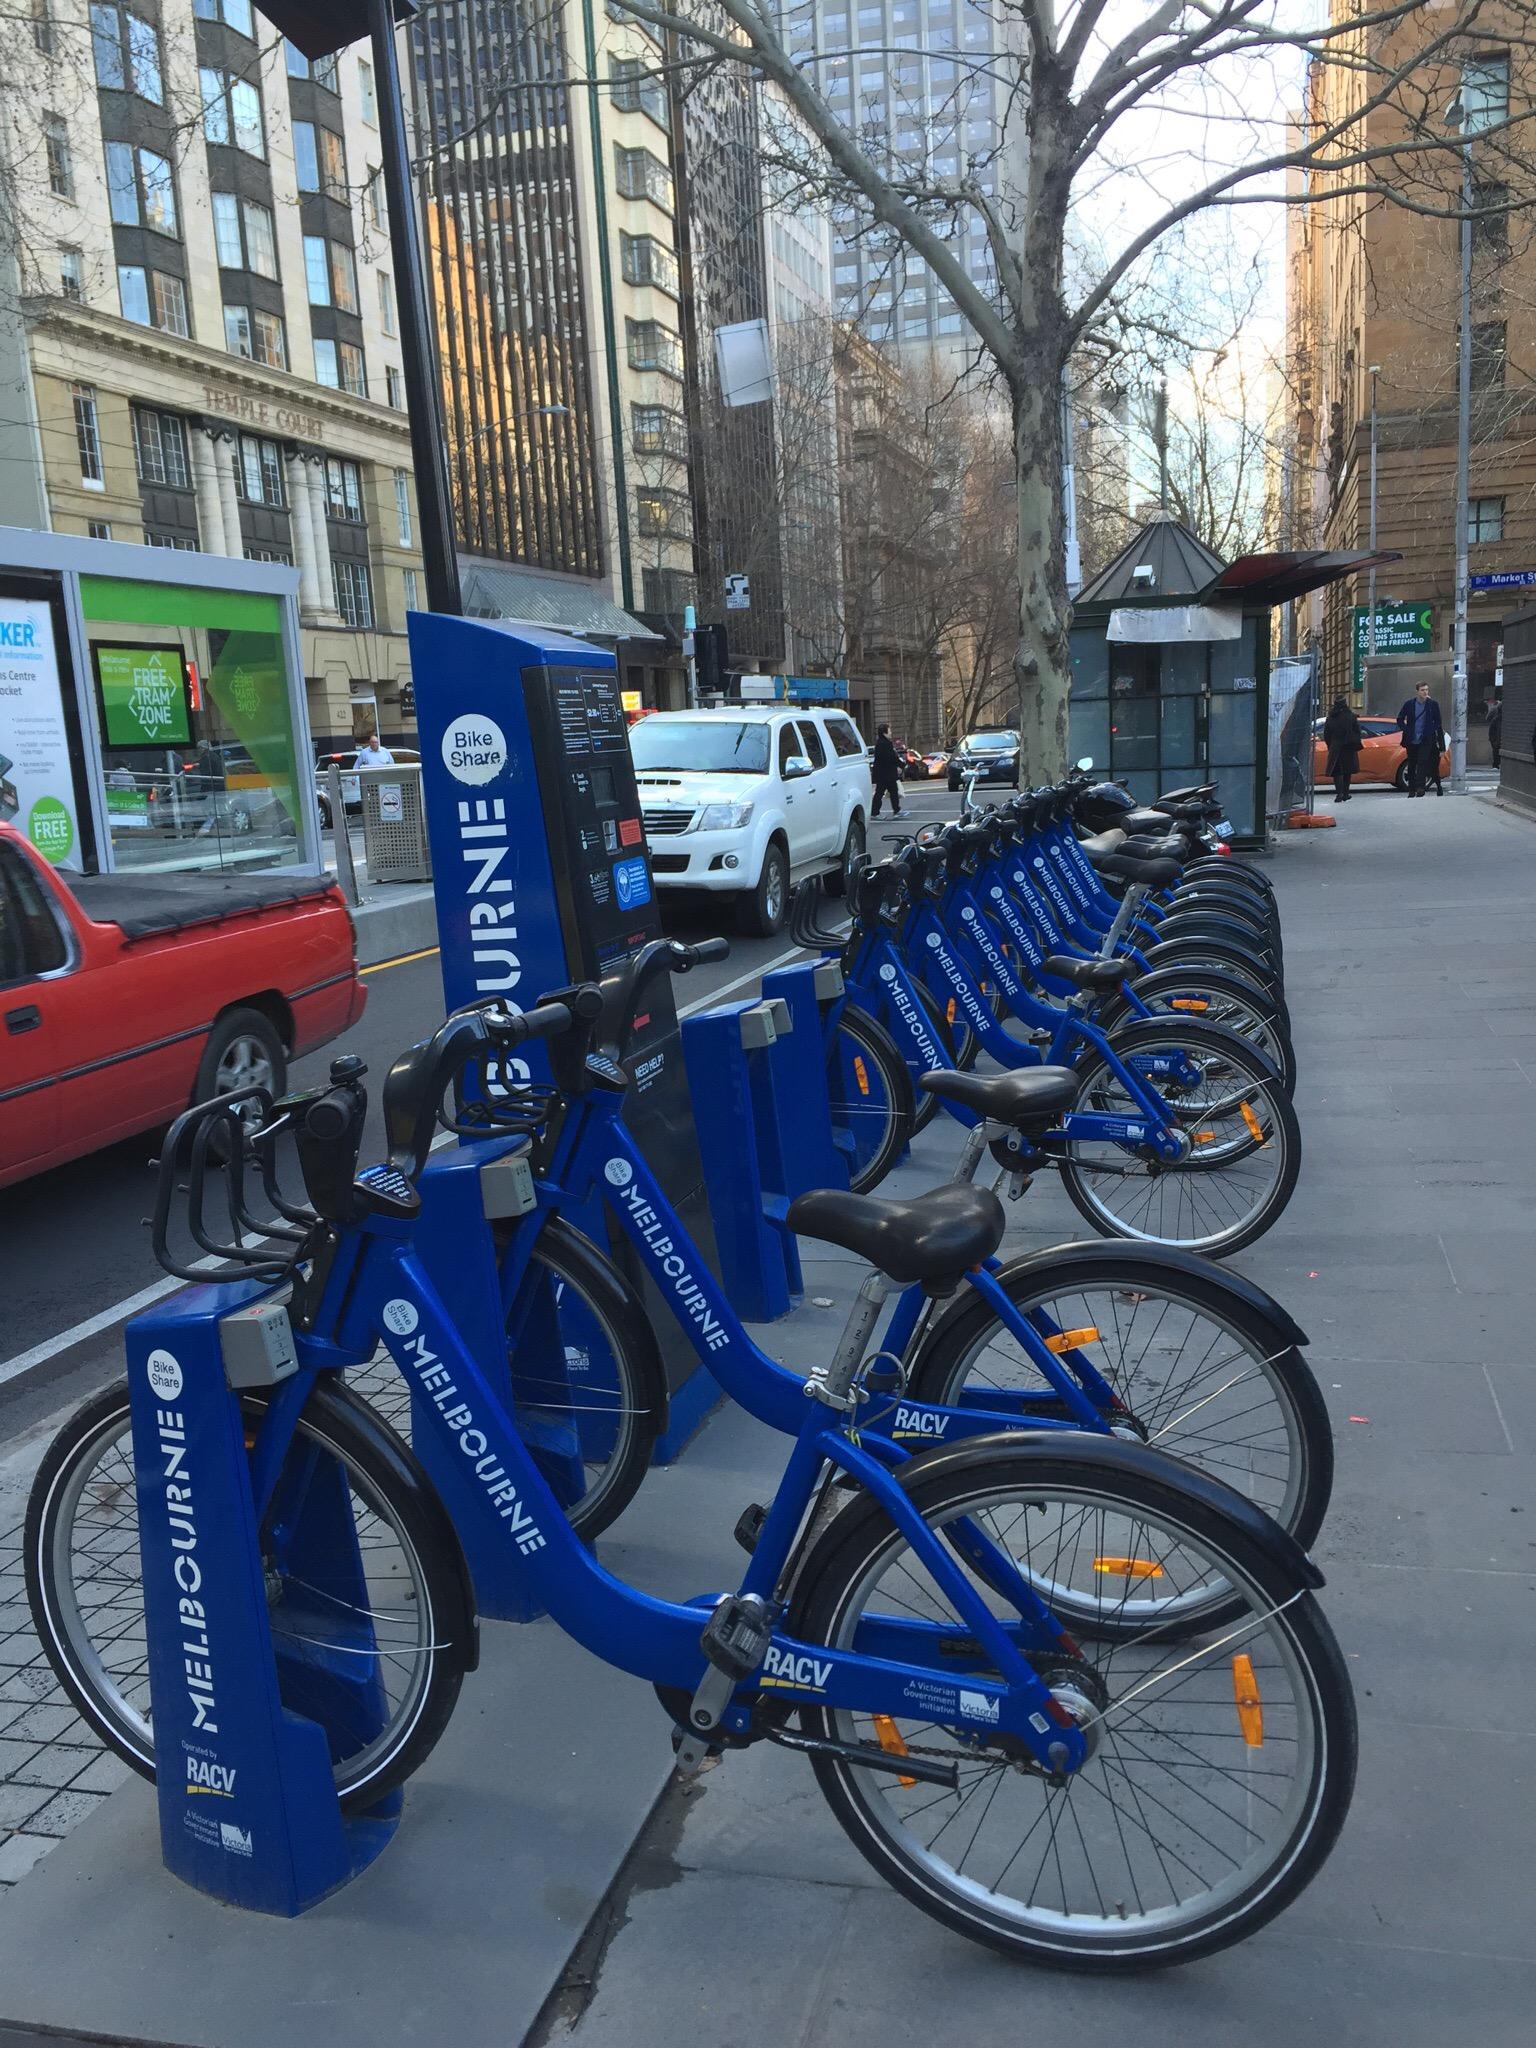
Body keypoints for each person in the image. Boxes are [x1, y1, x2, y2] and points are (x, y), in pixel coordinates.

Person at [1395, 680, 1445, 797]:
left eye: (1426, 690)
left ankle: (1420, 788)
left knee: (1422, 762)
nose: (1425, 692)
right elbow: (1400, 719)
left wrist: (1430, 731)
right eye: (1422, 690)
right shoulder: (1409, 704)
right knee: (1412, 764)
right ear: (1417, 691)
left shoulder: (1432, 704)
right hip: (1412, 739)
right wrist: (1407, 729)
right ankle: (1411, 789)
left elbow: (1438, 722)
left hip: (1426, 739)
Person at [1322, 697, 1363, 802]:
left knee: (1337, 771)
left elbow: (1326, 734)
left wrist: (1330, 745)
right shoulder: (1351, 717)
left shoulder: (1331, 718)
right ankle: (1346, 793)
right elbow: (1358, 732)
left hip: (1335, 747)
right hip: (1349, 746)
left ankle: (1339, 793)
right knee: (1347, 771)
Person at [871, 723, 903, 817]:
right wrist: (901, 765)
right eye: (889, 731)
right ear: (884, 733)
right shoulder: (885, 744)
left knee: (890, 791)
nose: (891, 732)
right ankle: (875, 812)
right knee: (882, 792)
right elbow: (891, 758)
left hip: (883, 773)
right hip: (886, 773)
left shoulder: (880, 743)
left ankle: (896, 810)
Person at [1487, 696, 1502, 769]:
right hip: (1496, 738)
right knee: (1496, 751)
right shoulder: (1497, 719)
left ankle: (1496, 764)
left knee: (1496, 751)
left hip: (1496, 738)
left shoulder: (1497, 718)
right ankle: (1496, 764)